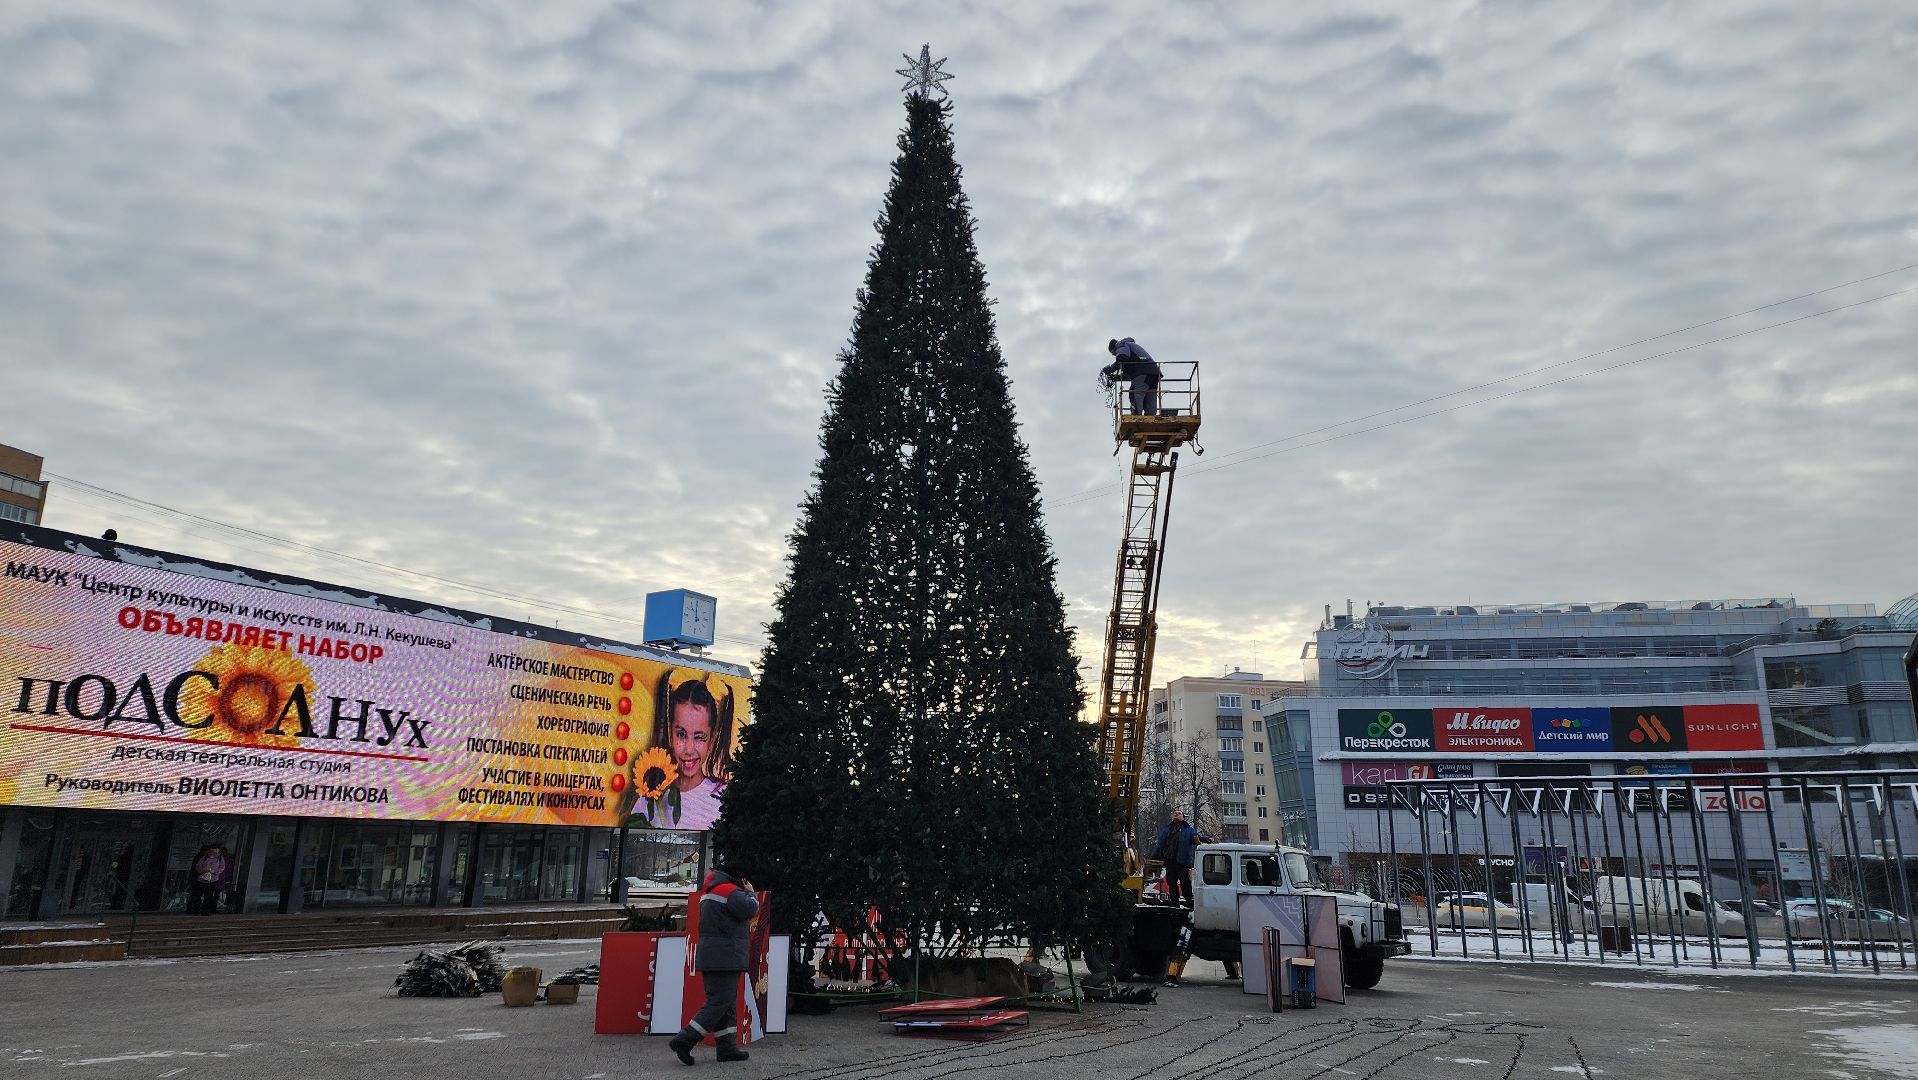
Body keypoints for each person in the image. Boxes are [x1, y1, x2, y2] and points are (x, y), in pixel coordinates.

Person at [670, 865, 760, 1065]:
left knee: (725, 1003)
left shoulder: (713, 890)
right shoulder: (728, 891)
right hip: (725, 957)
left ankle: (726, 1048)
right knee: (719, 1002)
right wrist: (751, 893)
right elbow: (750, 909)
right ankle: (684, 1040)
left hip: (716, 956)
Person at [640, 677, 737, 830]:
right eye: (681, 734)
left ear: (712, 739)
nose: (689, 749)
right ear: (670, 732)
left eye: (699, 737)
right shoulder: (649, 791)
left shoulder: (725, 798)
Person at [1101, 337, 1162, 416]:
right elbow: (1132, 376)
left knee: (1134, 392)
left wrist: (1111, 369)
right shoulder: (1131, 350)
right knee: (1150, 394)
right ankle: (1151, 416)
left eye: (1113, 353)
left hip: (1143, 372)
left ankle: (1136, 417)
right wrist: (1118, 377)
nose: (1114, 355)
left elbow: (1122, 357)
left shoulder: (1121, 345)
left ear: (1114, 348)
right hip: (1153, 373)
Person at [1153, 809, 1197, 910]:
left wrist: (1206, 839)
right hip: (1170, 861)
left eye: (1179, 813)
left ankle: (1189, 902)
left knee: (1185, 882)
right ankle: (1174, 902)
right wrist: (1153, 858)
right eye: (1175, 813)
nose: (1176, 814)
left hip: (1182, 862)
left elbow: (1196, 837)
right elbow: (1160, 844)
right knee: (1171, 883)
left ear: (1183, 817)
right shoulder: (1167, 829)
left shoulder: (1188, 829)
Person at [188, 844, 230, 916]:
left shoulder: (220, 858)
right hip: (202, 878)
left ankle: (205, 911)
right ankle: (196, 910)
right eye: (213, 849)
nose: (214, 852)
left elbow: (222, 867)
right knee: (198, 894)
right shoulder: (205, 857)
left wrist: (214, 871)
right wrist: (203, 871)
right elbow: (198, 866)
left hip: (212, 879)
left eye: (216, 850)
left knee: (208, 896)